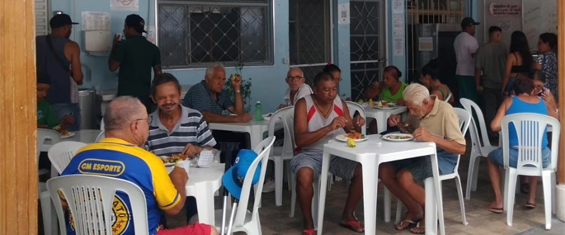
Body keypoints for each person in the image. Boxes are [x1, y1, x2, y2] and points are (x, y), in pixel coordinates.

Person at [61, 96, 218, 235]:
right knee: (209, 231)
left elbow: (63, 201)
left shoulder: (80, 156)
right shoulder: (148, 161)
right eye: (147, 121)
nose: (148, 126)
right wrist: (179, 177)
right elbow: (174, 208)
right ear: (135, 126)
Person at [380, 84, 466, 234]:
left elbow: (461, 148)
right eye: (410, 109)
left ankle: (431, 212)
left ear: (426, 103)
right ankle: (415, 210)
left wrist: (431, 138)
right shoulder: (417, 108)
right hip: (419, 154)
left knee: (404, 177)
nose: (411, 112)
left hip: (442, 157)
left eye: (414, 109)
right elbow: (411, 131)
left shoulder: (446, 111)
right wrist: (399, 124)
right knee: (384, 170)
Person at [291, 72, 366, 235]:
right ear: (315, 90)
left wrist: (357, 124)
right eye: (326, 90)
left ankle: (347, 215)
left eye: (334, 89)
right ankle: (309, 223)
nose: (332, 94)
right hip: (309, 153)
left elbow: (353, 133)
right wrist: (328, 128)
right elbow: (300, 140)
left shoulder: (339, 103)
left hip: (336, 153)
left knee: (363, 170)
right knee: (304, 174)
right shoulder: (304, 104)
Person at [146, 73, 217, 221]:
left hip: (192, 181)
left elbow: (211, 150)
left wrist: (197, 149)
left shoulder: (195, 118)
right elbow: (142, 156)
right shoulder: (147, 124)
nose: (168, 101)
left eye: (172, 96)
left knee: (196, 217)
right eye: (162, 98)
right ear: (153, 99)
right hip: (160, 187)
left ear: (180, 95)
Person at [485, 74, 558, 214]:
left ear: (513, 91)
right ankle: (531, 198)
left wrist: (508, 123)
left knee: (491, 157)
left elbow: (494, 126)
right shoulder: (542, 102)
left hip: (515, 157)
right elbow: (557, 119)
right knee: (536, 151)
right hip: (541, 158)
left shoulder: (509, 101)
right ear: (531, 90)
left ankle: (499, 201)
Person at [183, 64, 252, 161]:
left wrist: (236, 88)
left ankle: (240, 169)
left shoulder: (221, 93)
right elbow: (205, 116)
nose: (221, 83)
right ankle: (230, 168)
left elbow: (238, 112)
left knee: (243, 137)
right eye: (218, 78)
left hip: (212, 132)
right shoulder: (199, 90)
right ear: (207, 79)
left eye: (223, 79)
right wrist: (236, 118)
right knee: (235, 141)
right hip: (196, 135)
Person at [36, 14, 83, 131]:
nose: (70, 31)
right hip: (64, 100)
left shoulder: (36, 42)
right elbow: (77, 77)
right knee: (68, 139)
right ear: (66, 27)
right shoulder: (71, 46)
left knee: (44, 139)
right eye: (70, 28)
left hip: (40, 101)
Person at [109, 14, 162, 113]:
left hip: (125, 97)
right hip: (145, 97)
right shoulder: (153, 48)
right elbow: (158, 73)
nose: (124, 30)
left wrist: (114, 47)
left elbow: (112, 67)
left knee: (125, 125)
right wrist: (153, 93)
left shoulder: (124, 46)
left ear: (130, 28)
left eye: (125, 27)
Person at [475, 26, 508, 139]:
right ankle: (502, 134)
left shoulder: (482, 49)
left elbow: (478, 69)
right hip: (503, 85)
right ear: (498, 35)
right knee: (502, 110)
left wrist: (477, 84)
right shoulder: (505, 48)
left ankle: (491, 134)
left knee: (489, 110)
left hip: (488, 84)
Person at [454, 17, 480, 105]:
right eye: (473, 26)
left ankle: (464, 117)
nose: (475, 28)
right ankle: (473, 118)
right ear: (468, 27)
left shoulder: (458, 38)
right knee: (471, 99)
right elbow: (476, 57)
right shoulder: (471, 40)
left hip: (459, 72)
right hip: (469, 73)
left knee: (462, 98)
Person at [502, 31, 533, 97]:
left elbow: (507, 74)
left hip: (513, 82)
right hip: (525, 83)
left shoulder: (512, 56)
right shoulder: (528, 56)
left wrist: (503, 88)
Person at [534, 33, 558, 101]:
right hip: (557, 89)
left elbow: (536, 75)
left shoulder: (542, 57)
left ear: (547, 44)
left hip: (544, 90)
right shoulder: (559, 57)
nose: (538, 45)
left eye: (540, 43)